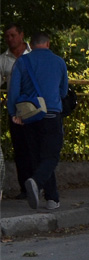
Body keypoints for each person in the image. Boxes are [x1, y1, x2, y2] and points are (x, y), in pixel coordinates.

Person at [7, 32, 70, 210]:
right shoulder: (59, 62)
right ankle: (36, 183)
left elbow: (13, 91)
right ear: (48, 44)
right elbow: (64, 91)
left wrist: (14, 113)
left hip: (30, 116)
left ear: (31, 45)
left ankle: (52, 198)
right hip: (51, 115)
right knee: (51, 156)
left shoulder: (22, 61)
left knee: (36, 156)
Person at [1, 24, 34, 200]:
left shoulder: (34, 55)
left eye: (13, 35)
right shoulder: (3, 60)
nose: (10, 39)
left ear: (21, 35)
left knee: (36, 147)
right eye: (7, 36)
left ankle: (39, 183)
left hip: (35, 109)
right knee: (20, 150)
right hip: (15, 111)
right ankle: (25, 188)